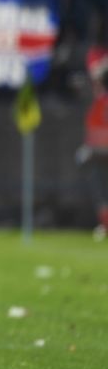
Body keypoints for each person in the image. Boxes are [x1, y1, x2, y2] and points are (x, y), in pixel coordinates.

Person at [76, 59, 108, 241]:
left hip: (99, 153)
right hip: (99, 152)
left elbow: (95, 131)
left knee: (101, 192)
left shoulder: (100, 102)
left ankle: (105, 226)